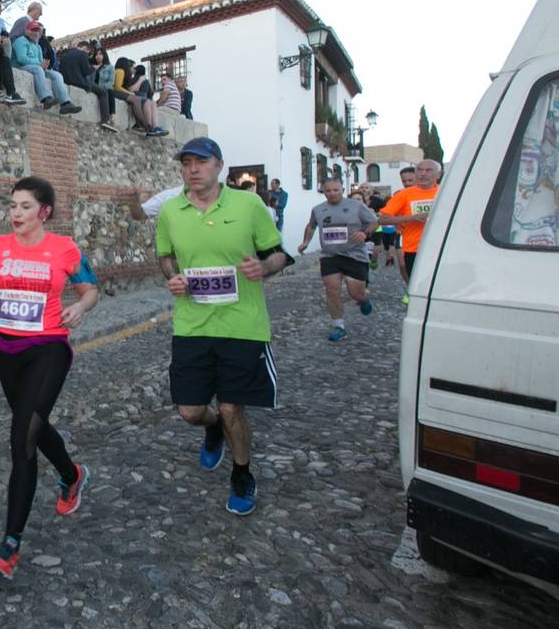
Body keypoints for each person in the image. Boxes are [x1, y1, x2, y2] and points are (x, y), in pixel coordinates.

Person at [0, 176, 99, 579]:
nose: (16, 214)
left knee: (21, 438)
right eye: (12, 206)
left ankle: (10, 545)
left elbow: (90, 289)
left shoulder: (64, 248)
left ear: (45, 212)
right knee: (35, 428)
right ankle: (72, 475)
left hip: (49, 348)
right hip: (6, 350)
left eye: (25, 206)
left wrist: (81, 308)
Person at [157, 137, 289, 516]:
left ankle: (242, 474)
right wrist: (174, 276)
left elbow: (278, 253)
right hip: (192, 324)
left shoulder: (249, 205)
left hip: (242, 326)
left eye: (201, 162)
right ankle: (211, 428)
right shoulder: (171, 211)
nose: (192, 169)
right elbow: (165, 256)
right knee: (190, 411)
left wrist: (262, 268)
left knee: (232, 408)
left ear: (219, 166)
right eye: (186, 163)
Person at [298, 177, 377, 341]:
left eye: (336, 190)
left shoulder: (356, 206)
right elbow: (312, 225)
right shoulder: (318, 209)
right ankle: (339, 326)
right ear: (323, 191)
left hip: (354, 255)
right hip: (330, 256)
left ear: (342, 189)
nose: (332, 193)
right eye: (328, 190)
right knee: (331, 289)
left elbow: (373, 222)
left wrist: (364, 233)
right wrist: (305, 242)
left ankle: (364, 298)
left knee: (355, 294)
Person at [378, 159, 442, 305]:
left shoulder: (446, 192)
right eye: (419, 170)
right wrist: (411, 218)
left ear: (438, 174)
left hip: (442, 249)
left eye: (428, 170)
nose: (423, 173)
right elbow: (383, 219)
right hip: (414, 249)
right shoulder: (404, 195)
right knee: (420, 291)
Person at [12, 22, 81, 115]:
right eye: (33, 30)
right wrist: (40, 64)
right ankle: (46, 98)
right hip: (21, 66)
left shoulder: (38, 46)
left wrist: (44, 65)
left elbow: (40, 62)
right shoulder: (20, 41)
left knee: (57, 75)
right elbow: (21, 59)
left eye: (37, 31)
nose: (35, 33)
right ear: (27, 31)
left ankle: (65, 103)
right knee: (38, 69)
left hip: (35, 68)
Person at [60, 44, 116, 131]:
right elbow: (86, 71)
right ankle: (105, 120)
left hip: (65, 80)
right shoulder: (83, 54)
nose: (90, 56)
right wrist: (94, 68)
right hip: (78, 82)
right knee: (103, 93)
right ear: (86, 49)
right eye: (90, 53)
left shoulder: (66, 55)